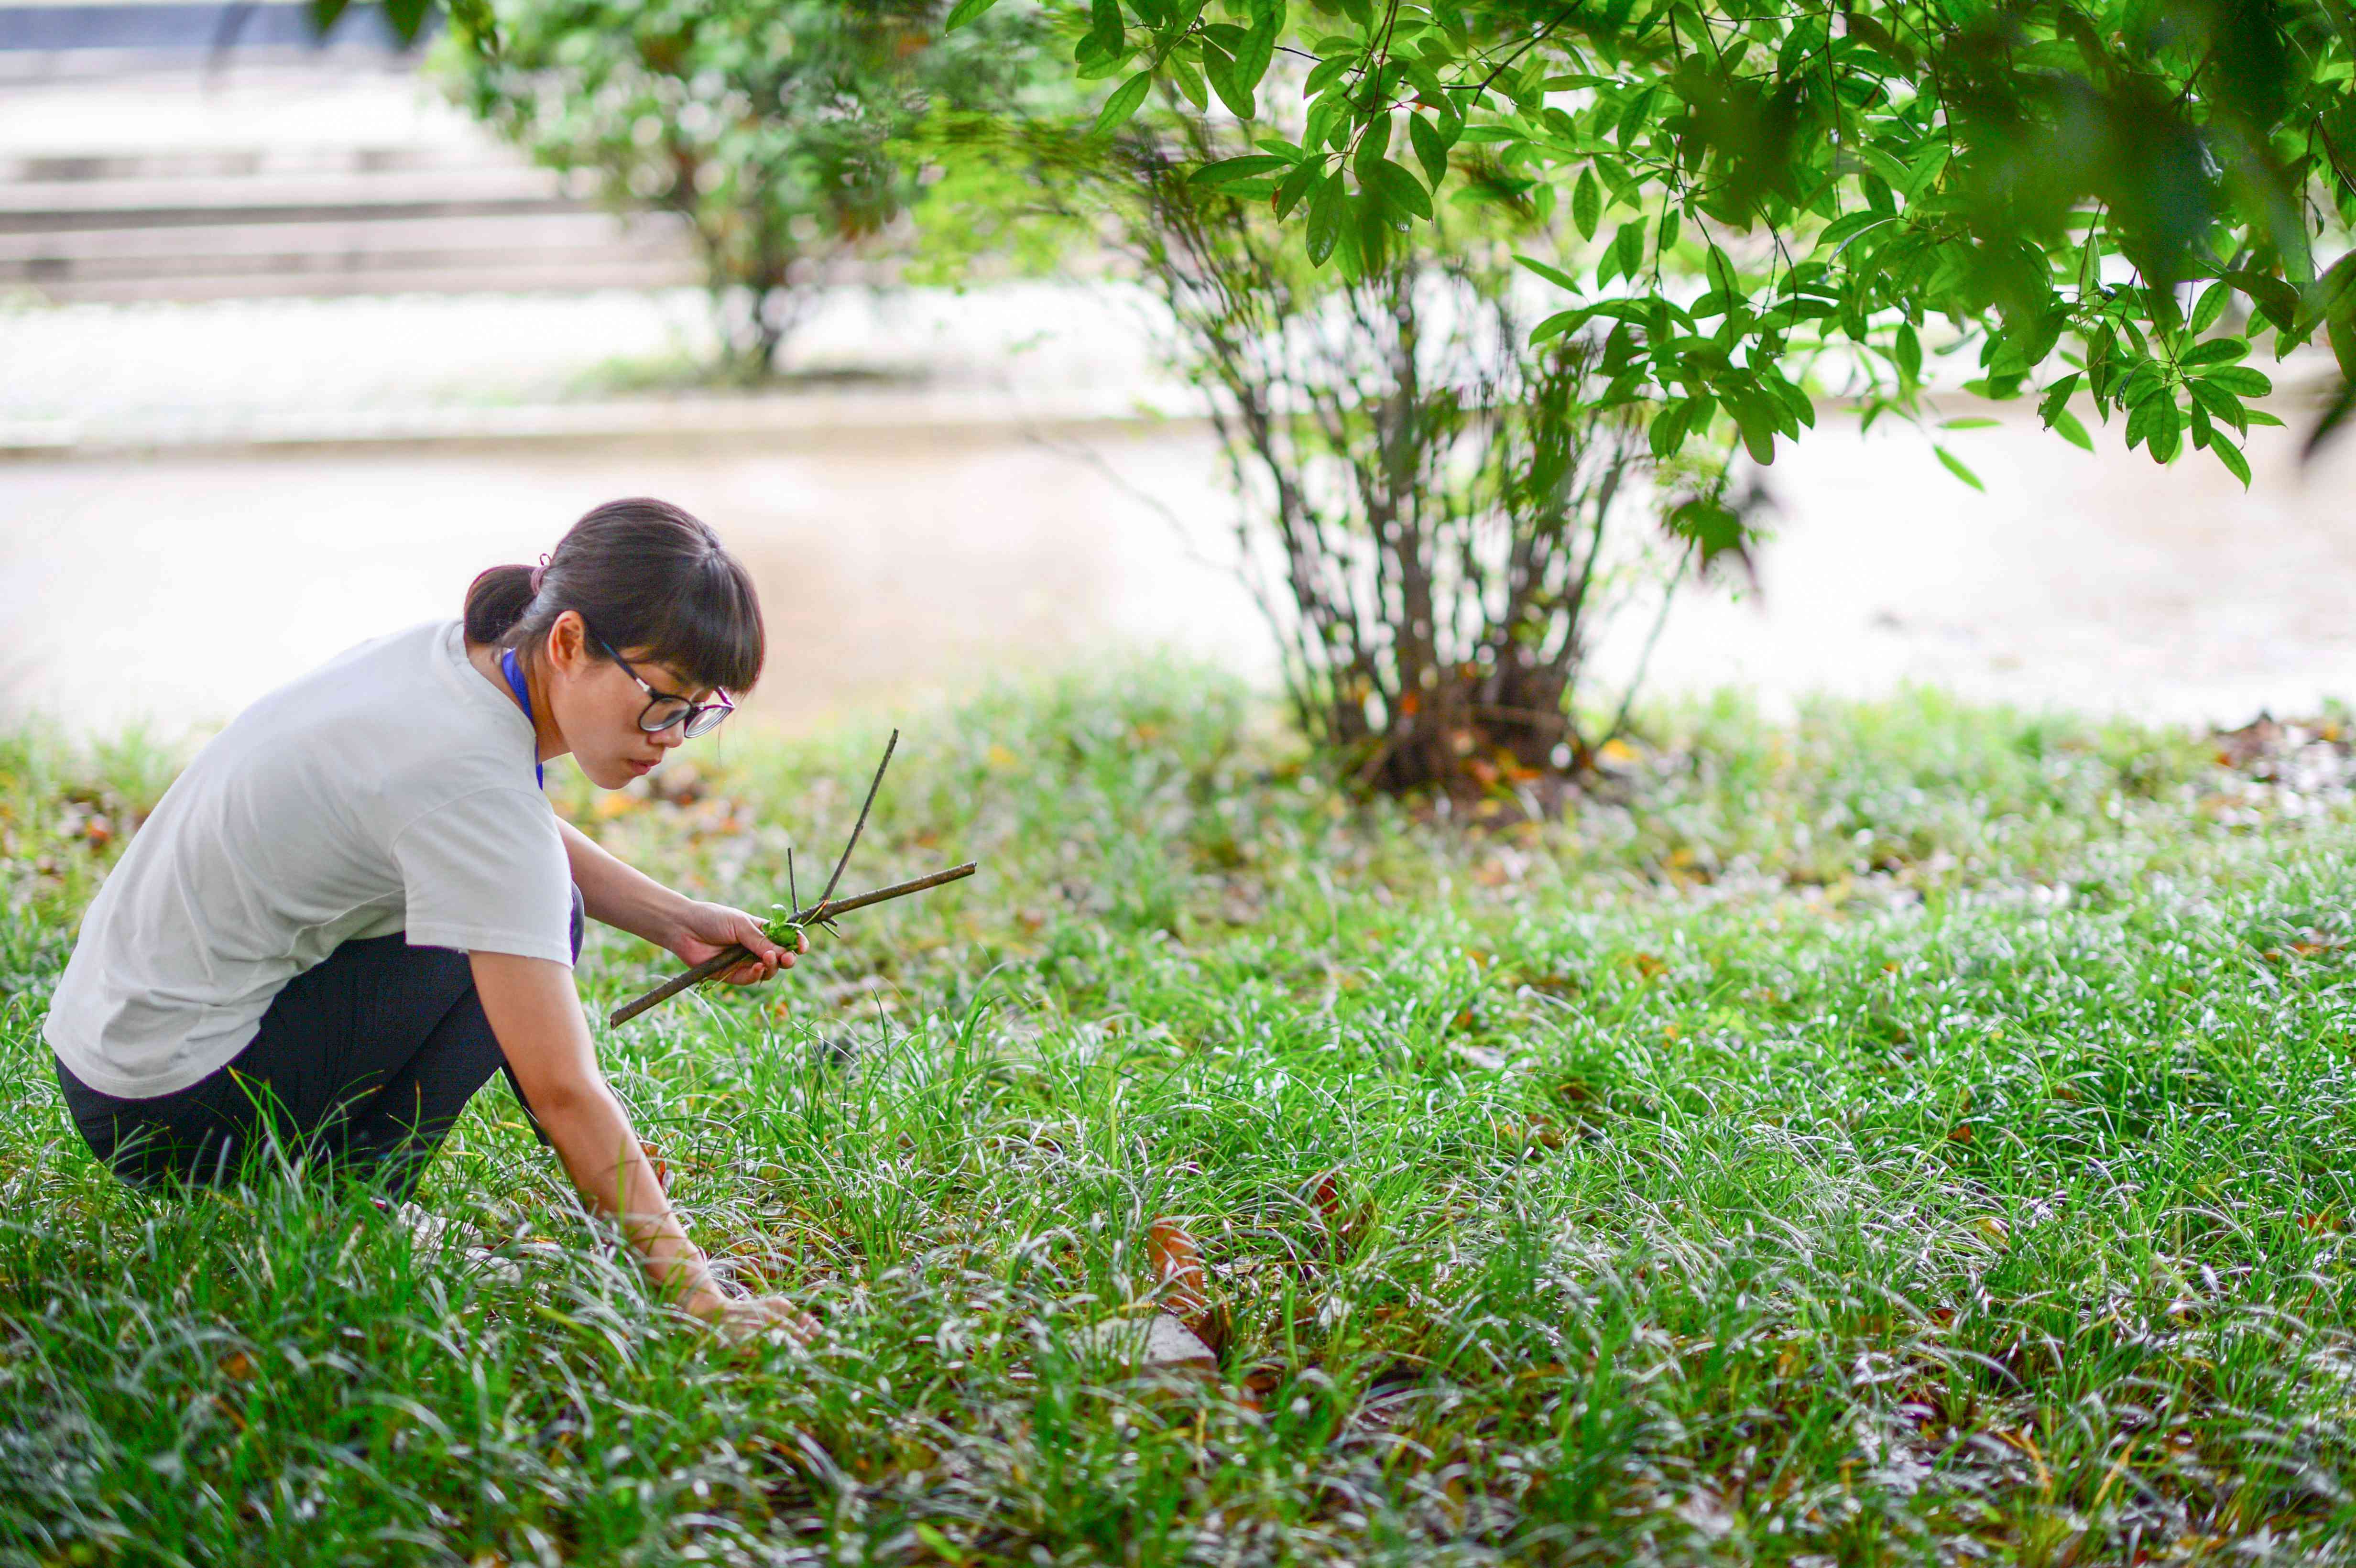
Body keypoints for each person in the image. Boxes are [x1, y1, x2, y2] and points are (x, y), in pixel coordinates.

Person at [44, 497, 812, 1342]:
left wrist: (674, 918)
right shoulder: (471, 782)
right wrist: (698, 1296)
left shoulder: (454, 662)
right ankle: (352, 1211)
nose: (672, 737)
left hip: (109, 1051)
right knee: (538, 917)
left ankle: (341, 1200)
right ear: (567, 644)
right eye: (664, 700)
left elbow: (495, 828)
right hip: (169, 1111)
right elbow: (561, 1086)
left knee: (527, 897)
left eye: (700, 711)